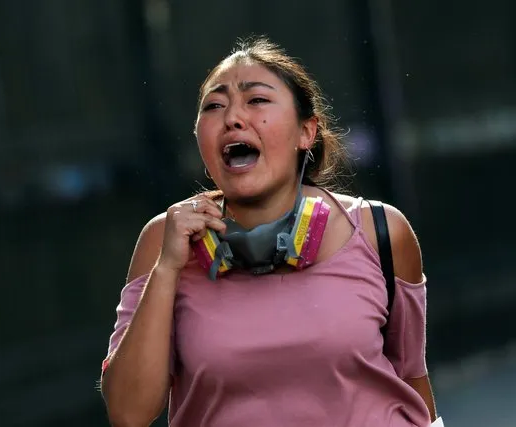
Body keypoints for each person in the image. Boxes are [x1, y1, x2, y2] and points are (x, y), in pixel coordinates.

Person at [100, 37, 439, 427]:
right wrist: (166, 269)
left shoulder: (381, 231)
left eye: (257, 100)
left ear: (306, 133)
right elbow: (127, 413)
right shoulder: (164, 242)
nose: (233, 118)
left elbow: (412, 379)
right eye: (214, 106)